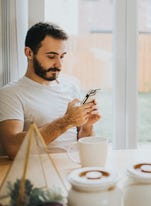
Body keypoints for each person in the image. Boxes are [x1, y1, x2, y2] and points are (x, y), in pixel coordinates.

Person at [0, 22, 101, 160]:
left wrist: (87, 126)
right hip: (41, 175)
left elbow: (80, 141)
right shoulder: (11, 94)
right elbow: (13, 148)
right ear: (29, 53)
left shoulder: (71, 86)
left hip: (74, 169)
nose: (59, 64)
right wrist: (66, 121)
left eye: (62, 56)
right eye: (51, 56)